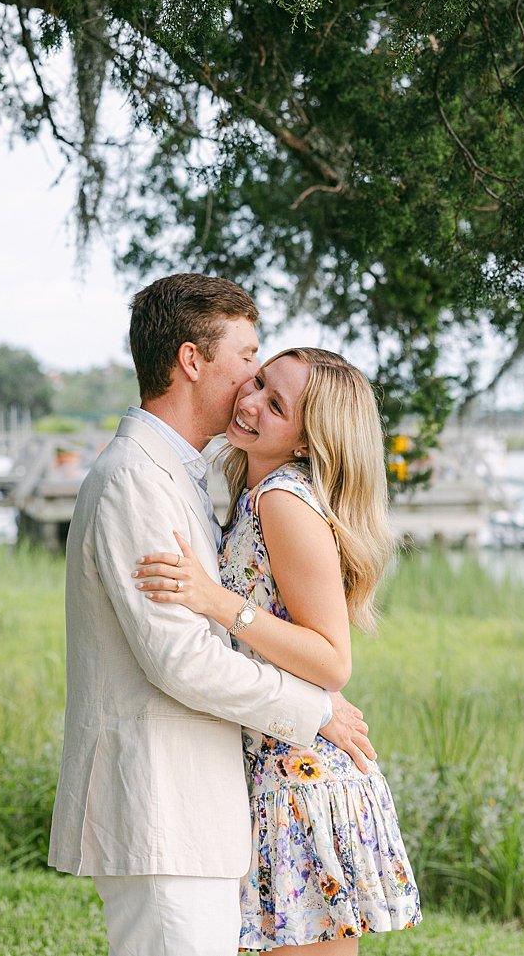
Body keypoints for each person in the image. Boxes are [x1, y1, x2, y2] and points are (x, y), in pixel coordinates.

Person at [49, 273, 375, 956]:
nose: (252, 377)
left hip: (196, 811)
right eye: (248, 356)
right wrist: (315, 708)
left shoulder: (191, 474)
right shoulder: (137, 478)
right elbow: (181, 658)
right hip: (161, 804)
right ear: (193, 361)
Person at [134, 348, 420, 951]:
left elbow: (331, 658)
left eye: (276, 404)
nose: (250, 401)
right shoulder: (256, 491)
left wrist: (217, 602)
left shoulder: (284, 501)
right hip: (275, 764)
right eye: (259, 382)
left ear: (305, 442)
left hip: (300, 778)